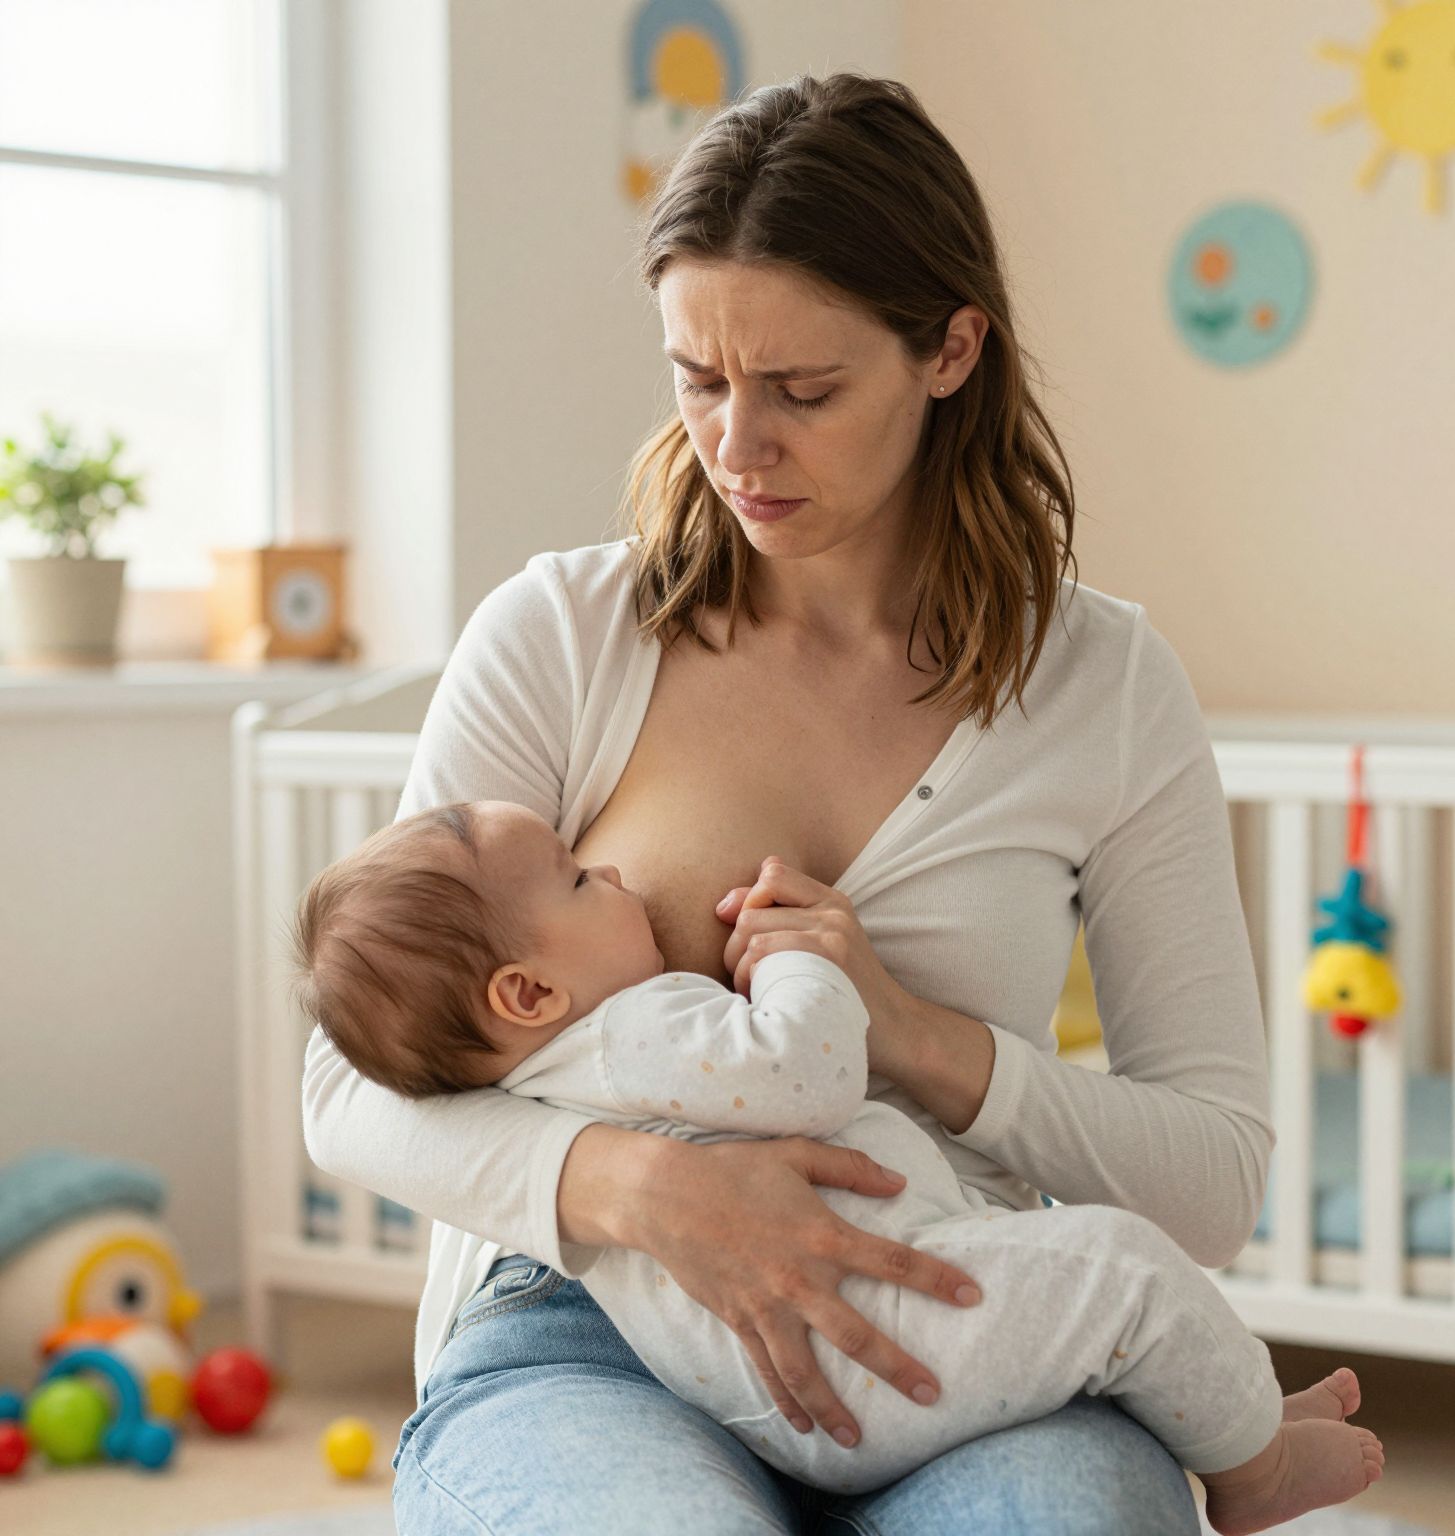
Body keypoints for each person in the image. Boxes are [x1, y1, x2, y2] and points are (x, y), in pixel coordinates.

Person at [302, 71, 1316, 1533]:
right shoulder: (566, 634)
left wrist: (916, 1038)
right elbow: (346, 1091)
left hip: (954, 1311)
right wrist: (643, 1189)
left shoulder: (1107, 687)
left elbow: (1213, 1184)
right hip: (598, 1323)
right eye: (698, 378)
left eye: (804, 390)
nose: (737, 445)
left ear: (951, 350)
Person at [294, 799, 1386, 1531]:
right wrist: (802, 964)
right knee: (1121, 1273)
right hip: (845, 1335)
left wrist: (916, 1028)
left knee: (1090, 1426)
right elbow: (806, 1074)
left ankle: (1231, 1411)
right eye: (582, 880)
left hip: (826, 1332)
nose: (612, 869)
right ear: (527, 993)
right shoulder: (638, 1027)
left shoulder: (561, 1054)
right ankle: (1251, 1472)